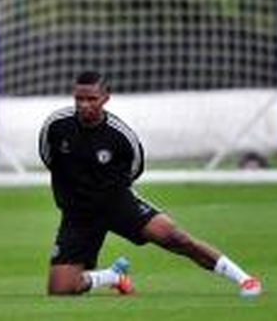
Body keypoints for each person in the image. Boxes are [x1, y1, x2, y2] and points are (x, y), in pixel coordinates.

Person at [38, 71, 262, 298]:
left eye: (91, 99)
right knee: (60, 289)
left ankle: (245, 279)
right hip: (78, 216)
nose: (84, 105)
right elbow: (48, 158)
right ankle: (111, 277)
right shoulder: (56, 126)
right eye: (79, 99)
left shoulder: (120, 136)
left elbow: (135, 169)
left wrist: (111, 193)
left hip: (118, 204)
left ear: (106, 97)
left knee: (177, 238)